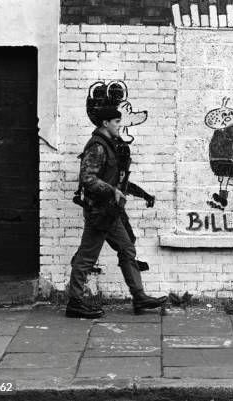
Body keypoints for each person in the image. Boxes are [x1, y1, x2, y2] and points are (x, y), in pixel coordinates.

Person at [67, 107, 167, 318]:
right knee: (87, 257)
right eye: (116, 121)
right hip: (98, 213)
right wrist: (112, 190)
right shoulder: (97, 147)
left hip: (110, 212)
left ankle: (139, 298)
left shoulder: (111, 145)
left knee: (127, 249)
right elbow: (87, 179)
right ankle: (75, 303)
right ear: (105, 123)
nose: (119, 125)